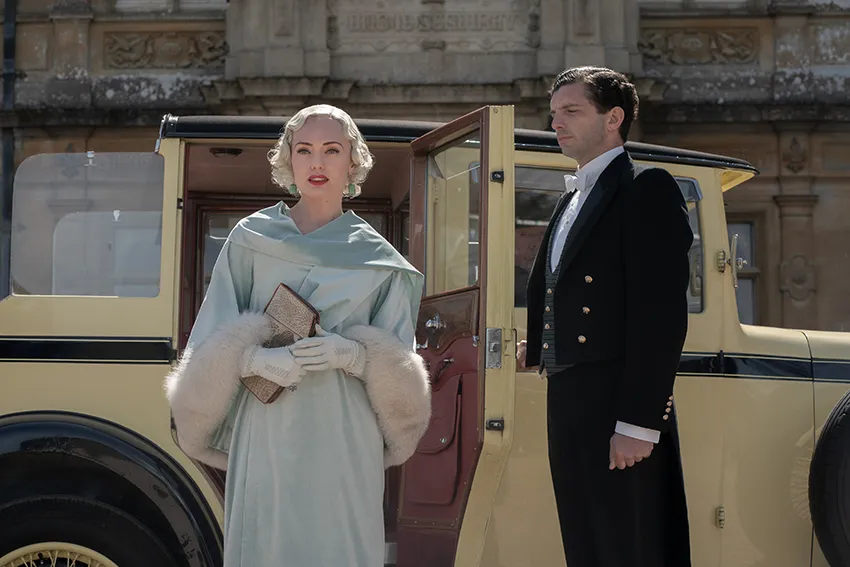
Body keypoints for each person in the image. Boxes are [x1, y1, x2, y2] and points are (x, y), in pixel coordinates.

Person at [164, 104, 431, 566]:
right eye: (304, 150)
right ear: (288, 160)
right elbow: (209, 339)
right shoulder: (249, 239)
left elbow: (401, 370)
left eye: (332, 150)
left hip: (345, 434)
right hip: (268, 426)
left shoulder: (381, 260)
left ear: (353, 161)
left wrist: (354, 356)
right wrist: (253, 360)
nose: (317, 162)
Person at [517, 67, 693, 567]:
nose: (557, 123)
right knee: (585, 542)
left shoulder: (646, 187)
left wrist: (639, 422)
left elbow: (660, 314)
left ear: (614, 118)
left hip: (618, 399)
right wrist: (543, 344)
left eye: (572, 111)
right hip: (568, 394)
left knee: (629, 545)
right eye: (554, 113)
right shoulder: (571, 197)